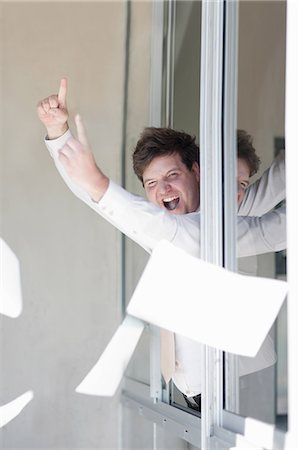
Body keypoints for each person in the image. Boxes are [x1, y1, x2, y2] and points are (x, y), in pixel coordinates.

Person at [37, 79, 286, 410]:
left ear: (196, 171)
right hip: (191, 391)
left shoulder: (226, 214)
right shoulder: (162, 227)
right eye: (152, 183)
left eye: (172, 175)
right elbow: (97, 198)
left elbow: (280, 195)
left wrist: (96, 179)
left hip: (239, 383)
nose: (163, 189)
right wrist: (58, 133)